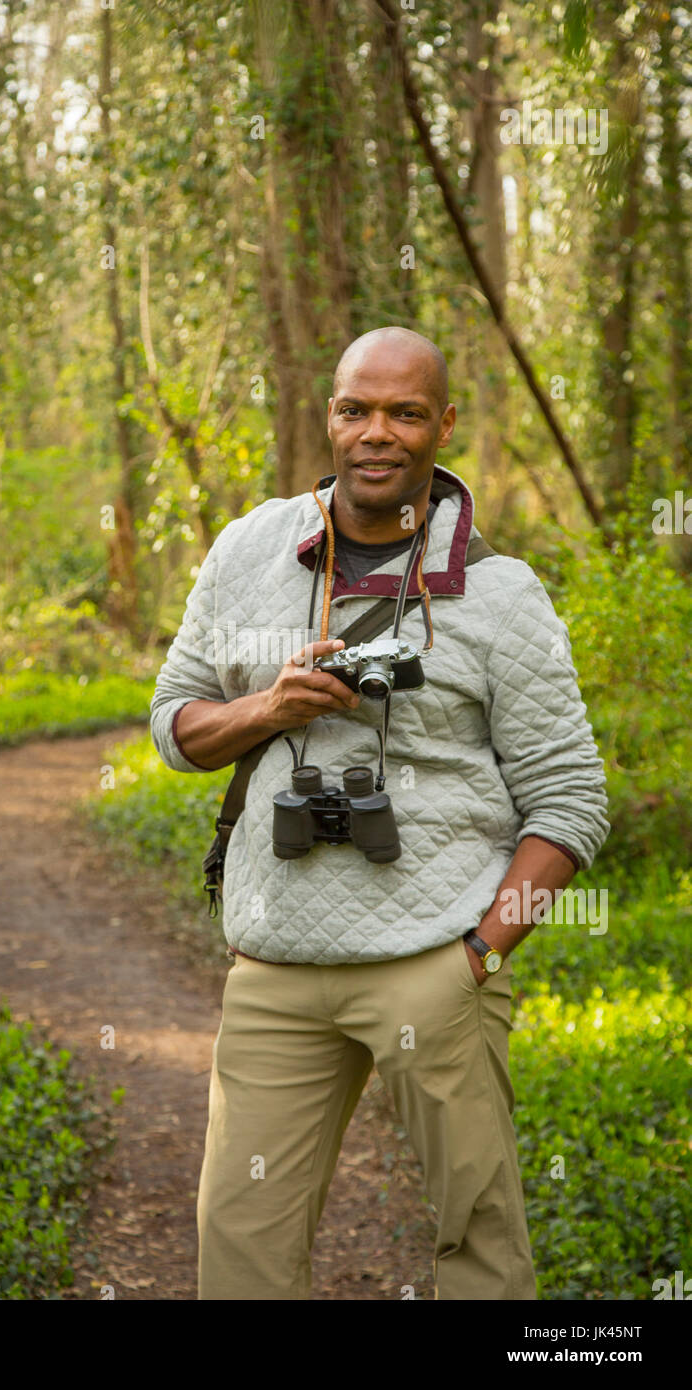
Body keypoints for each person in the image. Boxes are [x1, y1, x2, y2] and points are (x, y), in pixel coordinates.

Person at [149, 325, 610, 1301]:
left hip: (432, 965)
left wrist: (478, 953)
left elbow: (569, 800)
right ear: (328, 417)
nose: (376, 433)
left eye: (404, 413)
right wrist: (267, 710)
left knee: (479, 1238)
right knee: (239, 1240)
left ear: (442, 424)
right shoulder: (246, 551)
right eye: (355, 409)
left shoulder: (499, 594)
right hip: (274, 962)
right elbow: (174, 726)